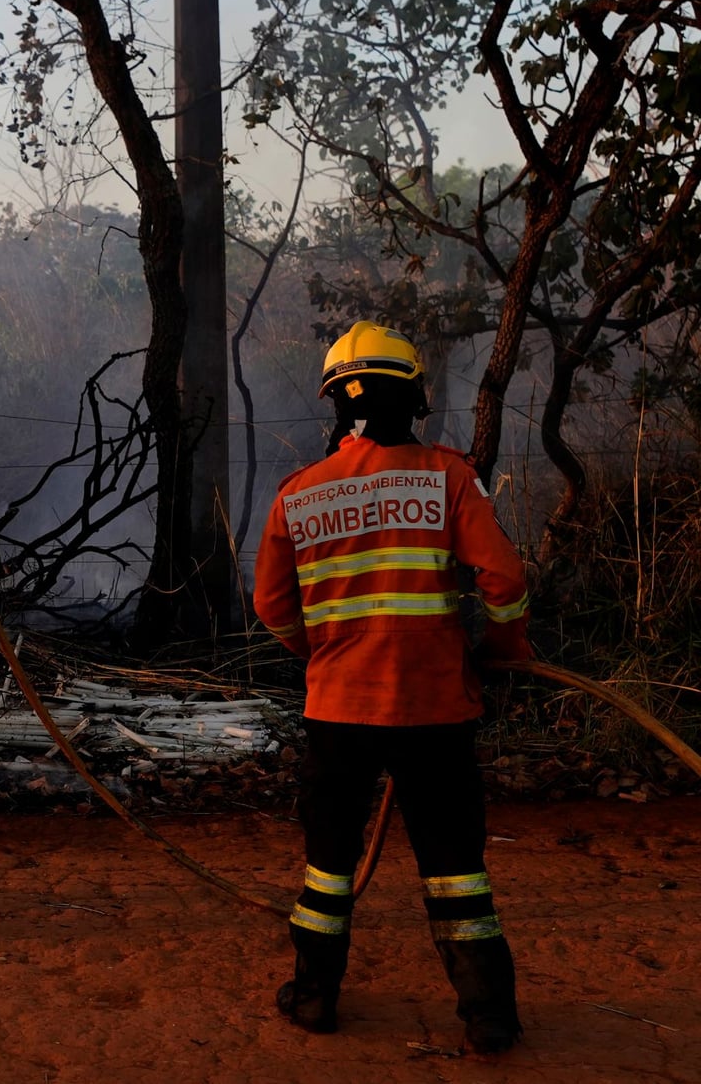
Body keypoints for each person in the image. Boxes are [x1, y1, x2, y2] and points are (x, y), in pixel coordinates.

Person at [253, 321, 530, 1054]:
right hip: (434, 707)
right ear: (414, 399)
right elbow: (504, 579)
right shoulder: (448, 477)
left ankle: (314, 996)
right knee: (455, 866)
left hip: (337, 708)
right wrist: (501, 650)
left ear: (335, 404)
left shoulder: (298, 495)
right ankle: (488, 1014)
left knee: (327, 867)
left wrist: (325, 652)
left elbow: (271, 607)